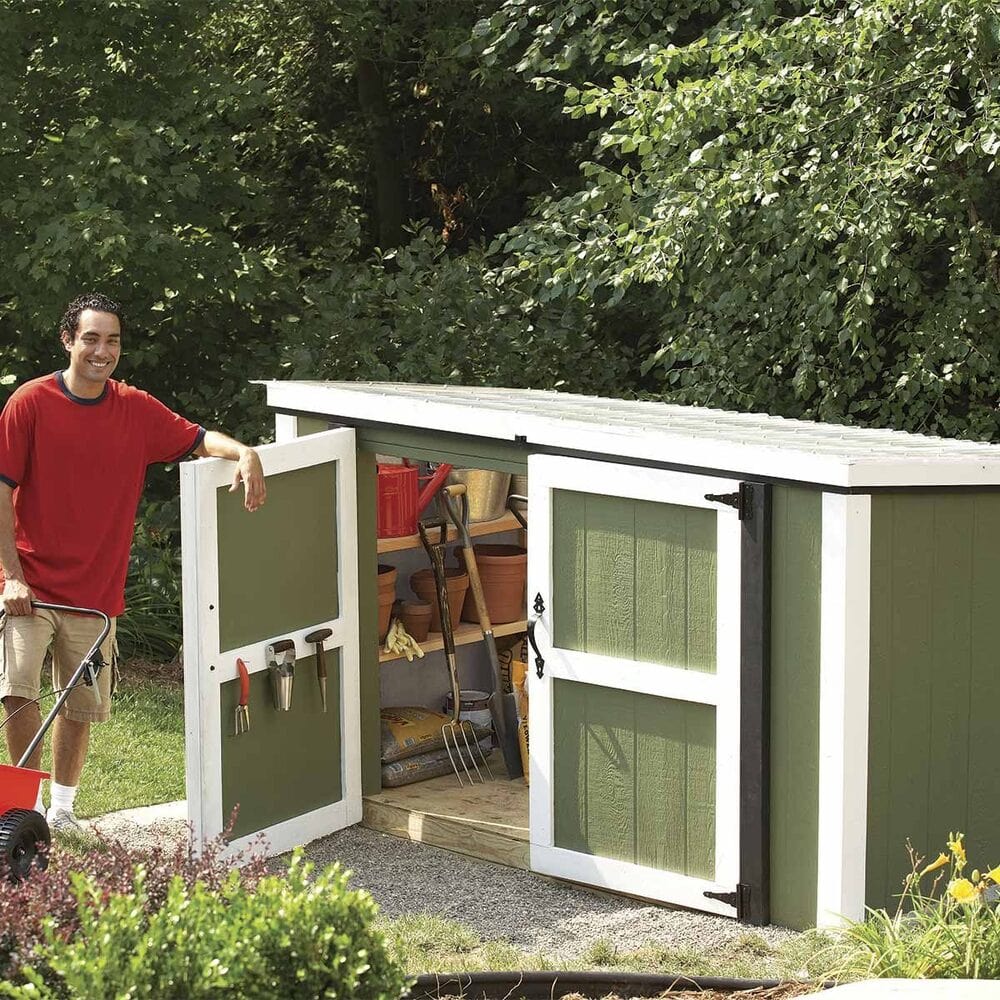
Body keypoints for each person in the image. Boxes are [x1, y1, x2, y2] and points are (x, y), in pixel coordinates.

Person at [0, 292, 266, 833]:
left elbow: (197, 439)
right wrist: (10, 576)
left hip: (96, 594)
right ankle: (22, 811)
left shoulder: (135, 410)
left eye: (113, 340)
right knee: (16, 691)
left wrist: (244, 452)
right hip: (29, 583)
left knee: (79, 708)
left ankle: (65, 808)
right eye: (91, 338)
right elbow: (1, 493)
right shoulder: (29, 403)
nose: (103, 350)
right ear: (68, 340)